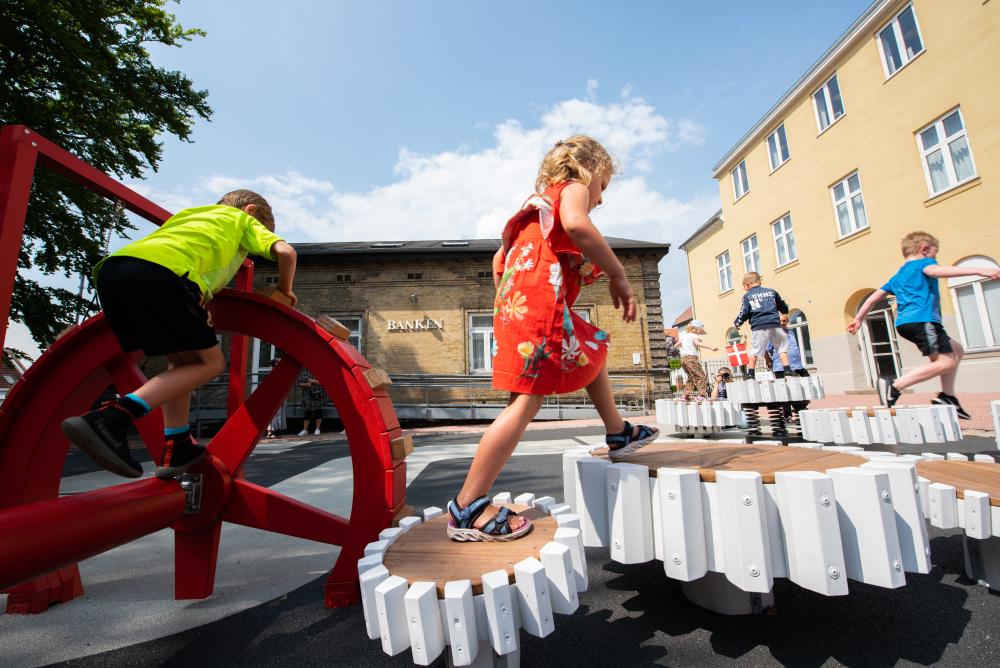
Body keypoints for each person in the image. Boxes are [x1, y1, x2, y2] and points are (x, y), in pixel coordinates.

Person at [446, 135, 659, 542]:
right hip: (539, 314)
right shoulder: (571, 190)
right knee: (527, 402)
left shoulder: (531, 211)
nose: (600, 198)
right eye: (604, 187)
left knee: (590, 346)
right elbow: (579, 225)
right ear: (589, 169)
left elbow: (499, 263)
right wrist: (618, 274)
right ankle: (468, 505)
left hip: (516, 311)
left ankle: (618, 431)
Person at [61, 190, 297, 478]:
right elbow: (287, 253)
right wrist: (285, 290)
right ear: (250, 211)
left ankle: (177, 444)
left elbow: (181, 253)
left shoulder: (190, 216)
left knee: (182, 365)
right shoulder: (240, 220)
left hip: (114, 272)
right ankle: (113, 417)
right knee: (211, 363)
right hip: (165, 276)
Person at [848, 231, 999, 417]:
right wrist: (979, 270)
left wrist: (858, 318)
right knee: (946, 362)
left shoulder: (899, 275)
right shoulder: (924, 264)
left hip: (906, 323)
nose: (935, 259)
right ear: (925, 249)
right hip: (923, 320)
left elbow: (873, 298)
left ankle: (947, 396)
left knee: (956, 350)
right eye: (935, 254)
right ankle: (894, 385)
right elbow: (935, 271)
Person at [734, 271, 789, 379]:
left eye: (744, 286)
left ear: (747, 283)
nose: (744, 288)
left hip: (760, 325)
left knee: (755, 350)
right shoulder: (772, 292)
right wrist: (785, 310)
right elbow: (782, 305)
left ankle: (750, 373)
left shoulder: (748, 296)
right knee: (782, 347)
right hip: (775, 323)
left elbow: (744, 311)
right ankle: (787, 370)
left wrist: (737, 322)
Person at [679, 320, 718, 399]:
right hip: (691, 358)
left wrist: (684, 347)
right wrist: (710, 347)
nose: (700, 333)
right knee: (701, 376)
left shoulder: (684, 336)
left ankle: (685, 395)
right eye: (700, 331)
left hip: (683, 359)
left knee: (691, 377)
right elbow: (697, 343)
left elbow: (677, 345)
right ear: (696, 329)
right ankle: (702, 395)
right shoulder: (694, 336)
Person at [765, 313, 810, 378]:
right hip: (781, 368)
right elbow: (765, 350)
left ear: (787, 321)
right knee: (785, 386)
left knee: (808, 379)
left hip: (797, 365)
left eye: (784, 321)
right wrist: (769, 361)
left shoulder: (791, 332)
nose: (782, 323)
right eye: (780, 321)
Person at [297, 368, 327, 436]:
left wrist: (311, 380)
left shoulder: (319, 371)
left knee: (318, 411)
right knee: (307, 413)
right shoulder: (304, 371)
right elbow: (299, 383)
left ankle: (317, 429)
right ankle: (305, 430)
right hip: (307, 395)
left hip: (317, 394)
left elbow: (323, 381)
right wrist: (306, 384)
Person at [266, 353, 288, 439]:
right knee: (273, 414)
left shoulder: (279, 373)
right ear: (276, 364)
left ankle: (275, 431)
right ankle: (270, 432)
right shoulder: (273, 373)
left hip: (280, 395)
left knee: (279, 414)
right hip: (274, 396)